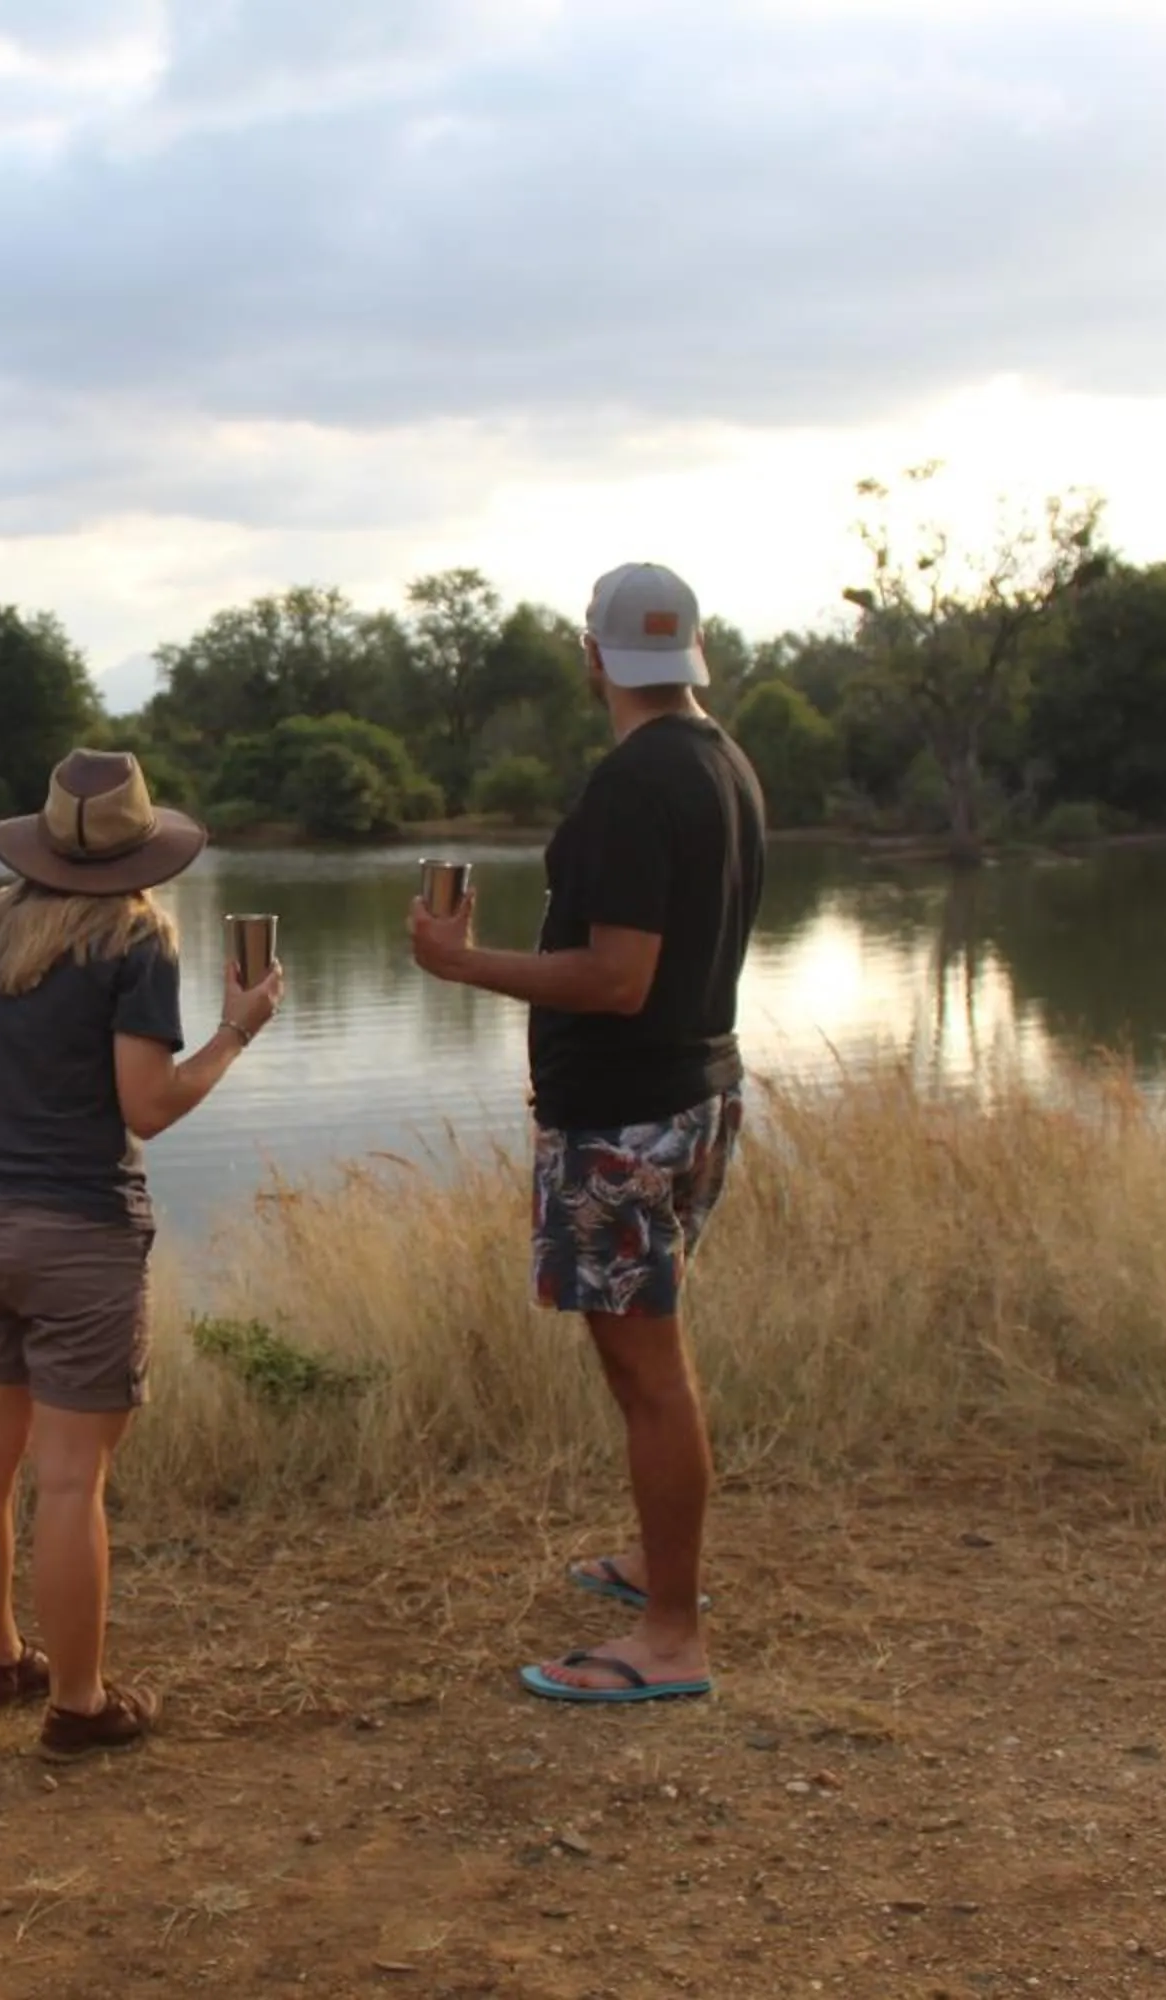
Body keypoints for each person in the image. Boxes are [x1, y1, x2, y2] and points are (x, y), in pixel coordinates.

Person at [406, 561, 765, 1705]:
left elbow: (616, 977)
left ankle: (671, 1635)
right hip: (696, 1093)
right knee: (648, 1360)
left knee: (646, 1370)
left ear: (595, 655)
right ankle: (661, 1566)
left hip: (624, 1121)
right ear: (691, 654)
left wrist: (464, 962)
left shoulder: (633, 782)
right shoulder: (723, 761)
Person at [0, 747, 283, 1760]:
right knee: (70, 1478)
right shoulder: (137, 942)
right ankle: (80, 1703)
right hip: (78, 1233)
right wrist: (234, 1031)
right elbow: (148, 1104)